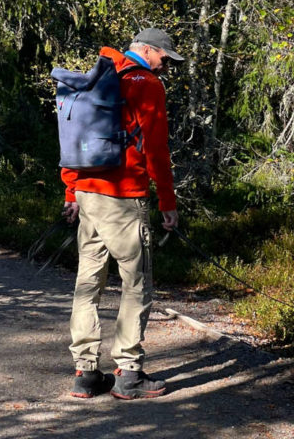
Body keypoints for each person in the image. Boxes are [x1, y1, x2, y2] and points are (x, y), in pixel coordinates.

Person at [61, 27, 182, 400]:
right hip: (124, 196)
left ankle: (85, 372)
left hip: (87, 193)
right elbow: (157, 150)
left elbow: (72, 135)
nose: (166, 67)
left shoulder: (100, 77)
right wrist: (167, 201)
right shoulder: (146, 84)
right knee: (136, 282)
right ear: (147, 50)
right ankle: (129, 372)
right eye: (164, 57)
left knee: (88, 282)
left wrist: (71, 191)